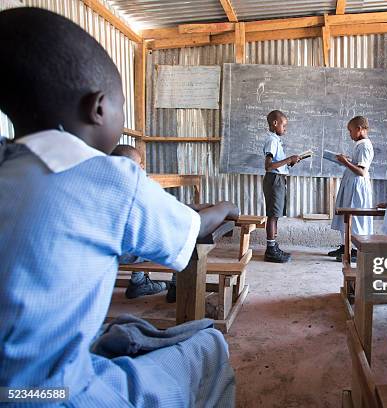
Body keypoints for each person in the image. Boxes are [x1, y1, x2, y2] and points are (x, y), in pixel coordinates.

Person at [0, 8, 238, 406]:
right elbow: (193, 227)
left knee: (123, 330)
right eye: (121, 105)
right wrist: (226, 206)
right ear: (97, 108)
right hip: (52, 395)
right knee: (209, 345)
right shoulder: (108, 178)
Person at [111, 145, 167, 299]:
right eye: (140, 163)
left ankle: (139, 282)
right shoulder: (138, 188)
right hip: (126, 254)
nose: (143, 167)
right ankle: (176, 285)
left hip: (105, 250)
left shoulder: (104, 186)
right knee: (178, 240)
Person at [329, 116, 374, 263]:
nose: (349, 134)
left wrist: (345, 162)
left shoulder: (365, 146)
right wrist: (346, 160)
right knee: (346, 215)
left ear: (359, 129)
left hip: (357, 186)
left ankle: (354, 250)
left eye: (350, 131)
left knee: (355, 216)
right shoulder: (359, 144)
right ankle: (345, 246)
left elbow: (361, 171)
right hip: (351, 185)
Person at [262, 110, 301, 263]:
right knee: (272, 215)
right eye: (284, 125)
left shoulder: (276, 140)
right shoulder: (272, 140)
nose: (285, 128)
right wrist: (289, 159)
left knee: (276, 215)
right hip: (273, 180)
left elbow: (276, 165)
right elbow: (269, 166)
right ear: (275, 123)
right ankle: (270, 250)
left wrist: (289, 162)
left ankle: (274, 246)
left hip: (277, 179)